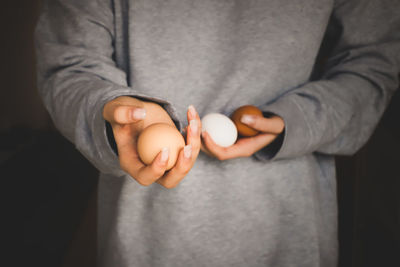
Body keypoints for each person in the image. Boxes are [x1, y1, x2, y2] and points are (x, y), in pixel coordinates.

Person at [35, 0, 400, 266]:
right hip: (148, 238)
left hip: (286, 233)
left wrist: (298, 119)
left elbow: (371, 65)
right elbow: (70, 63)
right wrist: (125, 114)